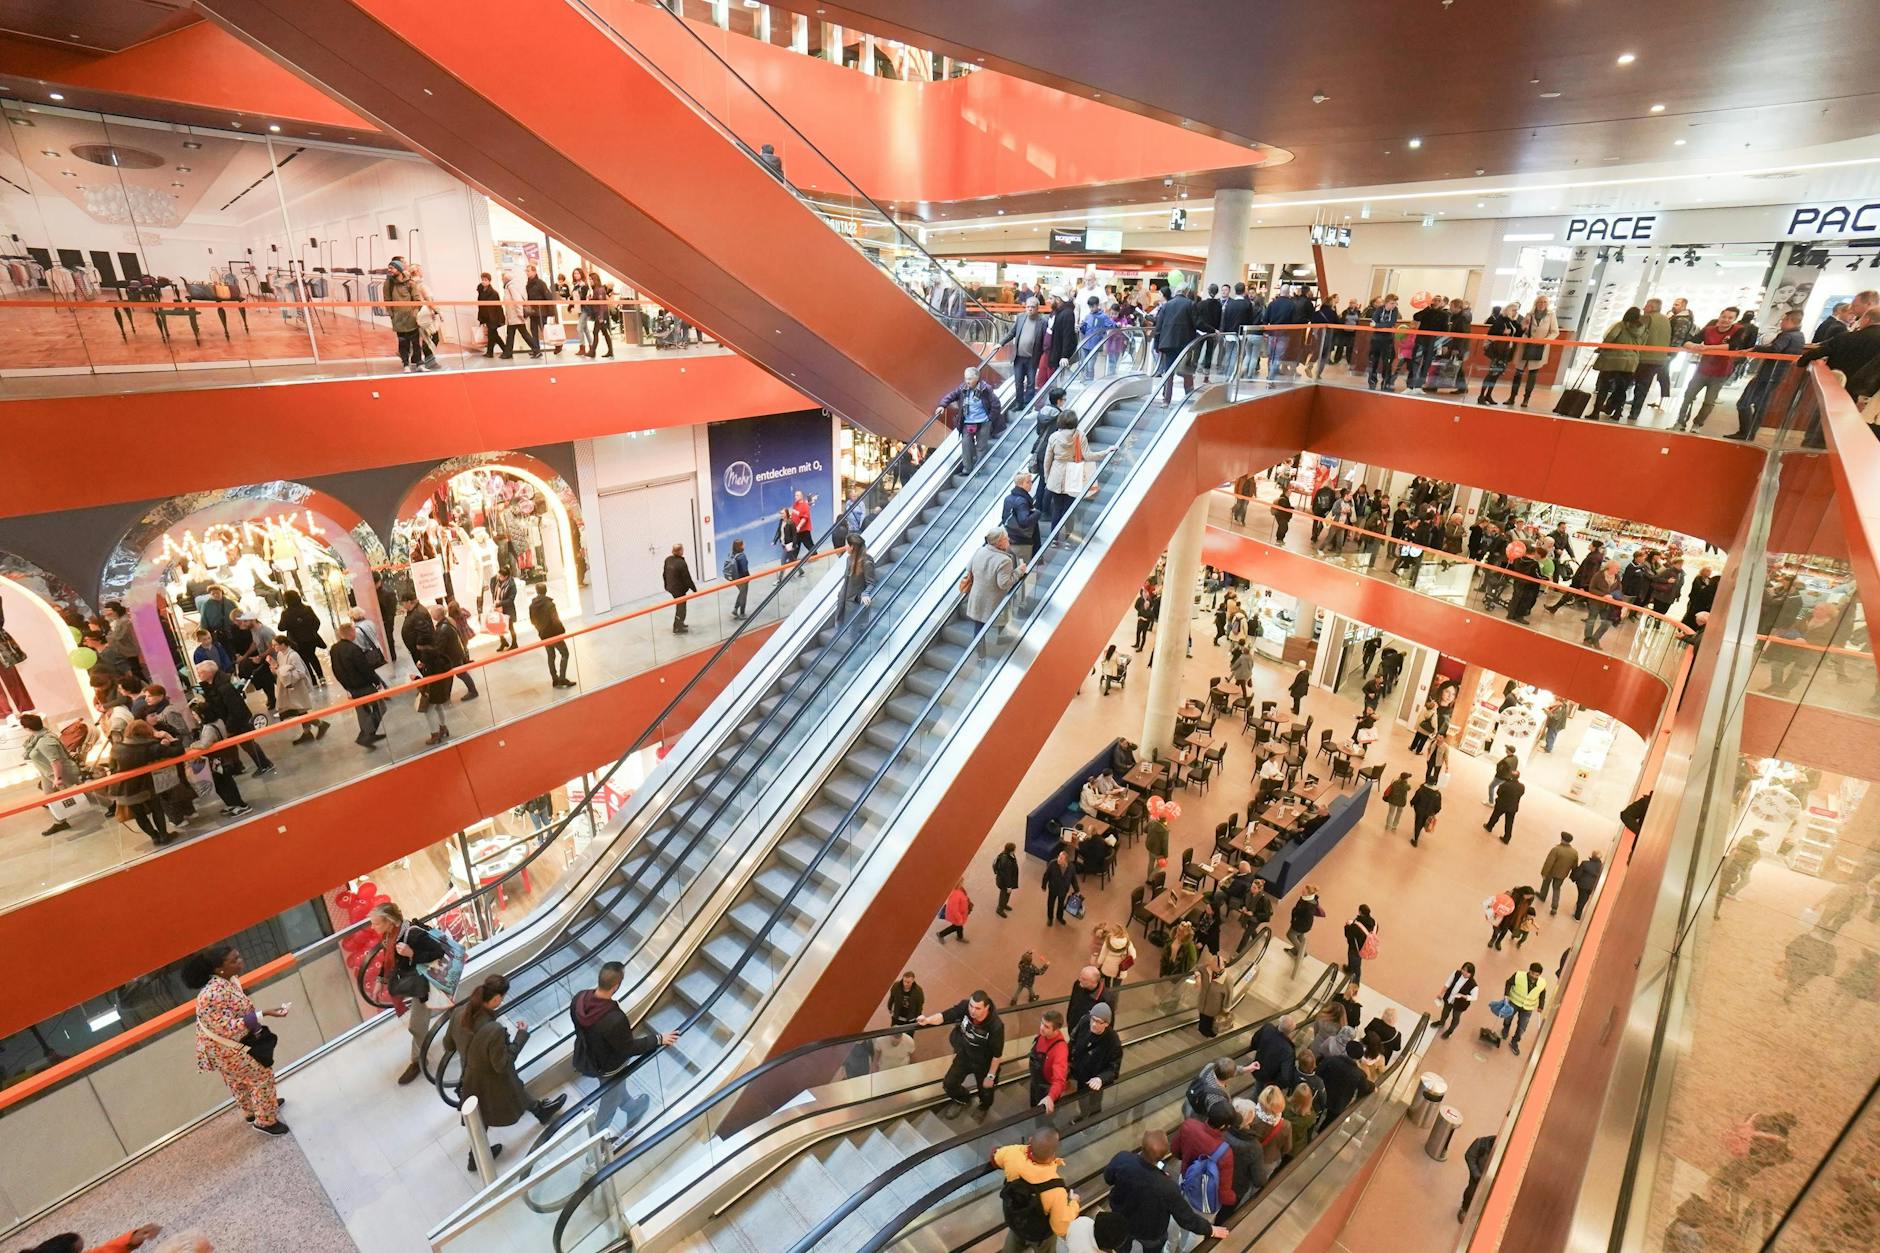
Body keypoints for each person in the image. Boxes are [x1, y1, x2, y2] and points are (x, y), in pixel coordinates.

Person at [449, 974, 567, 1168]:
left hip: (469, 1072)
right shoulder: (493, 1030)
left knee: (513, 1090)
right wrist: (520, 1037)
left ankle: (540, 1111)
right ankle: (475, 1157)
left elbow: (448, 1043)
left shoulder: (459, 1012)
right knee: (490, 1108)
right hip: (488, 1078)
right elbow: (502, 1064)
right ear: (496, 999)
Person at [182, 944, 290, 1135]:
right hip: (226, 1048)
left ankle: (253, 1111)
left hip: (222, 1049)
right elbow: (225, 1027)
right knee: (261, 1077)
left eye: (239, 956)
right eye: (234, 960)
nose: (240, 961)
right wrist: (263, 1014)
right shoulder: (212, 994)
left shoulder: (226, 981)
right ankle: (266, 1121)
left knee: (238, 1081)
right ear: (218, 968)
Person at [569, 961, 680, 1133]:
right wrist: (658, 1039)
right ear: (616, 986)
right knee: (609, 1104)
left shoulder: (579, 999)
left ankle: (632, 1107)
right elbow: (628, 1047)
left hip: (589, 1056)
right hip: (611, 1068)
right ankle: (595, 1148)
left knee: (618, 1089)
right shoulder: (614, 1019)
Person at [367, 901, 448, 1085]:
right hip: (415, 983)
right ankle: (454, 1037)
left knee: (416, 1026)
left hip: (426, 985)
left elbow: (438, 951)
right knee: (439, 1014)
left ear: (390, 921)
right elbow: (390, 961)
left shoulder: (412, 935)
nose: (373, 927)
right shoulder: (390, 936)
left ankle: (418, 1062)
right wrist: (381, 980)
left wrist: (412, 954)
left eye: (376, 923)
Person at [1104, 1131, 1228, 1251]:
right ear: (1161, 1157)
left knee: (1122, 1243)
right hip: (1150, 1232)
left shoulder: (1122, 1159)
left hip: (1121, 1217)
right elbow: (1187, 1218)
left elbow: (1108, 1178)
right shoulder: (1168, 1187)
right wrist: (1210, 1230)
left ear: (1142, 1145)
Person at [991, 1127, 1079, 1251]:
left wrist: (1022, 1150)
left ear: (1030, 1140)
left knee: (1013, 1243)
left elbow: (995, 1157)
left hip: (1017, 1220)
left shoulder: (1013, 1154)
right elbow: (1060, 1228)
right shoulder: (1056, 1190)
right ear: (1053, 1155)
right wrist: (1074, 1202)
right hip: (1040, 1236)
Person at [918, 990, 1003, 1115]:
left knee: (986, 1091)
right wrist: (927, 1020)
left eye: (978, 1008)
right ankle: (963, 1099)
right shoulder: (965, 1007)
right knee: (949, 1083)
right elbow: (945, 1016)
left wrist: (990, 1076)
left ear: (987, 1008)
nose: (973, 1011)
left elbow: (997, 1055)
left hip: (984, 1063)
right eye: (971, 1006)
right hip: (965, 1055)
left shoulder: (995, 1026)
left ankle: (984, 1107)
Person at [111, 719, 184, 846]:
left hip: (123, 788)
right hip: (145, 786)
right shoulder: (150, 747)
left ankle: (154, 837)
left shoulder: (116, 748)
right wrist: (169, 738)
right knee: (157, 808)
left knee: (139, 815)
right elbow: (178, 751)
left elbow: (112, 767)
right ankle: (163, 835)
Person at [1675, 306, 1741, 430]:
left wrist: (1708, 348)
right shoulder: (1709, 330)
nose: (1726, 320)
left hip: (1721, 372)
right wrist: (1695, 346)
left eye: (1730, 318)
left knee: (1709, 401)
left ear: (1735, 319)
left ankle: (1697, 424)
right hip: (1703, 370)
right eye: (1724, 316)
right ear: (1720, 316)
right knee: (1689, 395)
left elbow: (1733, 346)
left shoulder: (1738, 331)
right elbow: (1688, 341)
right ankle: (1680, 421)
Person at [936, 366, 1005, 475]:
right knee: (966, 444)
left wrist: (989, 418)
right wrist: (942, 405)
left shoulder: (986, 389)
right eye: (966, 378)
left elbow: (996, 404)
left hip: (983, 422)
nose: (967, 381)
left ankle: (978, 469)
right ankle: (967, 469)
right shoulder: (962, 388)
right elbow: (952, 395)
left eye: (969, 379)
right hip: (968, 422)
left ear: (977, 378)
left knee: (981, 447)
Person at [1067, 1000, 1122, 1122]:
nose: (1093, 1024)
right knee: (1081, 1097)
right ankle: (1083, 1115)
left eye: (1098, 1022)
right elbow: (1073, 1040)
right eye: (1093, 1019)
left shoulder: (1113, 1041)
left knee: (1095, 1101)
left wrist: (1101, 1078)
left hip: (1095, 1078)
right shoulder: (1085, 1021)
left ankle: (1094, 1121)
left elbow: (1114, 1068)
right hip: (1080, 1071)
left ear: (1106, 1024)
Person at [964, 529, 1027, 637]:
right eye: (1006, 538)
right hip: (992, 601)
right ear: (999, 542)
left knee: (979, 627)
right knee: (998, 626)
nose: (1009, 539)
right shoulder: (1004, 560)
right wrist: (1019, 571)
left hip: (977, 597)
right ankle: (1001, 646)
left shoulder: (980, 550)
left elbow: (969, 568)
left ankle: (978, 651)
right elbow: (1004, 583)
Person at [384, 256, 439, 371]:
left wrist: (415, 313)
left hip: (411, 318)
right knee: (403, 343)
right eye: (389, 268)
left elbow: (417, 300)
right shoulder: (388, 284)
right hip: (398, 319)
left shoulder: (410, 283)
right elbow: (387, 300)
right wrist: (392, 315)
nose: (389, 270)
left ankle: (420, 364)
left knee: (415, 342)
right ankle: (406, 365)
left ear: (398, 269)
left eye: (392, 268)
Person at [1593, 307, 1645, 419]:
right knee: (1621, 388)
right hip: (1631, 362)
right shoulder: (1643, 329)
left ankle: (1596, 412)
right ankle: (1617, 413)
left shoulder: (1620, 325)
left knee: (1604, 386)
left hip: (1613, 360)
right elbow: (1643, 344)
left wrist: (1600, 348)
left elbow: (1610, 337)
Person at [1154, 285, 1199, 403]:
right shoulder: (1190, 304)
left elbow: (1158, 327)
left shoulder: (1166, 305)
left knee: (1168, 372)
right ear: (1186, 291)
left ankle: (1166, 399)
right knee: (1186, 371)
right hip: (1185, 343)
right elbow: (1197, 323)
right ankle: (1188, 397)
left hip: (1168, 343)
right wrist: (1212, 330)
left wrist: (1156, 344)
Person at [528, 584, 574, 688]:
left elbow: (532, 621)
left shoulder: (532, 606)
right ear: (546, 590)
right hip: (554, 634)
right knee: (565, 653)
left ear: (536, 591)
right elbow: (555, 620)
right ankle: (562, 678)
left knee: (551, 656)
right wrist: (562, 630)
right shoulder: (550, 605)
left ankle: (555, 679)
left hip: (543, 635)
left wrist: (540, 630)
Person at [1319, 1038, 1375, 1120]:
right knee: (1329, 1121)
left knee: (1317, 1114)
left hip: (1322, 1094)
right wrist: (1373, 1086)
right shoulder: (1358, 1074)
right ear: (1358, 1058)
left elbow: (1319, 1071)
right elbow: (1365, 1087)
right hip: (1339, 1102)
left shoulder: (1331, 1060)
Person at [1499, 962, 1548, 1055]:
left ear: (1539, 975)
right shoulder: (1518, 976)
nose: (1534, 976)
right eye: (1532, 973)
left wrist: (1541, 1006)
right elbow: (1509, 983)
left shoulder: (1542, 983)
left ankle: (1515, 1042)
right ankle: (1505, 1029)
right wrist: (1506, 994)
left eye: (1537, 975)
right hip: (1514, 1002)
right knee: (1508, 1017)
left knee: (1522, 1027)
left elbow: (1542, 994)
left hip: (1528, 1008)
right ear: (1529, 971)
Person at [1009, 297, 1048, 407]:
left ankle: (1028, 404)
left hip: (1032, 358)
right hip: (1019, 357)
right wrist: (1000, 343)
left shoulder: (1042, 321)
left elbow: (1045, 340)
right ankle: (1019, 404)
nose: (1030, 309)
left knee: (1031, 383)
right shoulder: (1020, 318)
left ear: (1037, 308)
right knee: (1018, 382)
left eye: (1032, 307)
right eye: (1028, 307)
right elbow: (1012, 333)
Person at [1435, 961, 1479, 1039]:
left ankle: (1450, 1031)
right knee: (1445, 1011)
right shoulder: (1456, 973)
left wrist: (1464, 996)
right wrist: (1441, 993)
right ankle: (1441, 1022)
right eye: (1463, 970)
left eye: (1467, 972)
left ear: (1471, 974)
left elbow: (1474, 997)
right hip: (1450, 997)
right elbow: (1448, 983)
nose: (1464, 973)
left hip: (1460, 1004)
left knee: (1455, 1017)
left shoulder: (1473, 985)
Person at [1539, 833, 1581, 915]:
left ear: (1562, 839)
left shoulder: (1556, 849)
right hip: (1562, 874)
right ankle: (1554, 908)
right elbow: (1574, 865)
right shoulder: (1574, 852)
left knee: (1546, 884)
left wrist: (1544, 872)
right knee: (1556, 889)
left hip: (1551, 872)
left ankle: (1542, 896)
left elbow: (1549, 862)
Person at [1459, 1134, 1498, 1222]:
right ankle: (1464, 1209)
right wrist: (1476, 1174)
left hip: (1491, 1179)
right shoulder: (1481, 1143)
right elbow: (1470, 1156)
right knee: (1471, 1193)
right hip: (1477, 1177)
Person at [1285, 884, 1324, 972]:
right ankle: (1296, 950)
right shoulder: (1307, 899)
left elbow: (1304, 915)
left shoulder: (1309, 906)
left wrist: (1296, 915)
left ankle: (1301, 952)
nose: (1302, 891)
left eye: (1304, 891)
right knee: (1300, 937)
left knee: (1290, 935)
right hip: (1303, 924)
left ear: (1308, 893)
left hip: (1301, 925)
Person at [474, 272, 511, 359]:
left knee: (493, 334)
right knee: (493, 335)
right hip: (486, 317)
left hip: (493, 317)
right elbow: (481, 306)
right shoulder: (481, 291)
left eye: (485, 280)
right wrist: (481, 319)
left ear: (489, 281)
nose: (483, 281)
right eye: (482, 280)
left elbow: (497, 308)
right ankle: (495, 351)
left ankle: (502, 350)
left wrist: (497, 320)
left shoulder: (493, 293)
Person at [662, 543, 697, 634]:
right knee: (681, 608)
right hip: (679, 589)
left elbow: (664, 574)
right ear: (680, 551)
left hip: (671, 587)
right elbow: (687, 578)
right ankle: (677, 627)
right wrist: (694, 589)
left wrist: (666, 585)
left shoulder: (668, 560)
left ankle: (680, 623)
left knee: (680, 606)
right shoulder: (681, 563)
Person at [1483, 769, 1525, 843]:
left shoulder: (1505, 785)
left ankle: (1489, 827)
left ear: (1511, 776)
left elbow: (1499, 792)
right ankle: (1507, 838)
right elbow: (1521, 794)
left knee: (1495, 816)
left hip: (1502, 804)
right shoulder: (1522, 786)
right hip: (1513, 807)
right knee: (1509, 823)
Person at [1043, 847, 1079, 927]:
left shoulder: (1071, 867)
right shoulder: (1052, 863)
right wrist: (1044, 885)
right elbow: (1046, 875)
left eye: (1061, 858)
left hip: (1063, 890)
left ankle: (1059, 917)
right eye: (1059, 856)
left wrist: (1077, 889)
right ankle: (1050, 918)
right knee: (1050, 904)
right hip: (1053, 888)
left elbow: (1073, 879)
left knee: (1061, 904)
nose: (1058, 859)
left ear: (1065, 860)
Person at [1343, 904, 1377, 981]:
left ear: (1360, 912)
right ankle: (1350, 968)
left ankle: (1354, 986)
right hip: (1366, 947)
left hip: (1355, 948)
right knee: (1356, 961)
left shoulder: (1356, 924)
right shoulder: (1374, 923)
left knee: (1356, 966)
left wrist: (1347, 926)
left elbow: (1348, 934)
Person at [1570, 849, 1605, 921]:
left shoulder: (1585, 863)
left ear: (1592, 856)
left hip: (1582, 885)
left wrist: (1573, 878)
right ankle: (1577, 910)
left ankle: (1577, 917)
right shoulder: (1601, 867)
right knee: (1584, 899)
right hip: (1591, 887)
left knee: (1581, 899)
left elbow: (1578, 873)